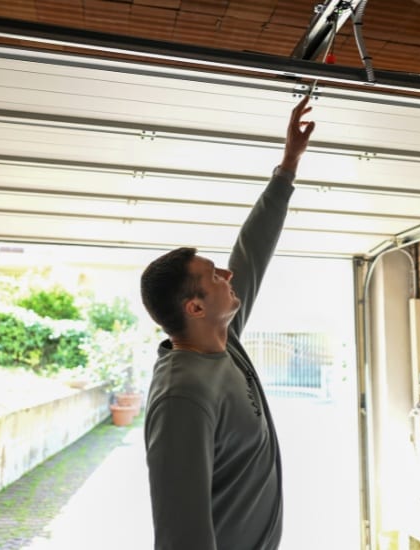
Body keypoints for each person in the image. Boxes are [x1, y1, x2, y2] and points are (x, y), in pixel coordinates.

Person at [140, 95, 316, 550]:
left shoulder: (223, 343)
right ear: (195, 308)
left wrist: (288, 165)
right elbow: (181, 537)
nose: (228, 274)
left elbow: (251, 251)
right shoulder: (183, 395)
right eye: (213, 275)